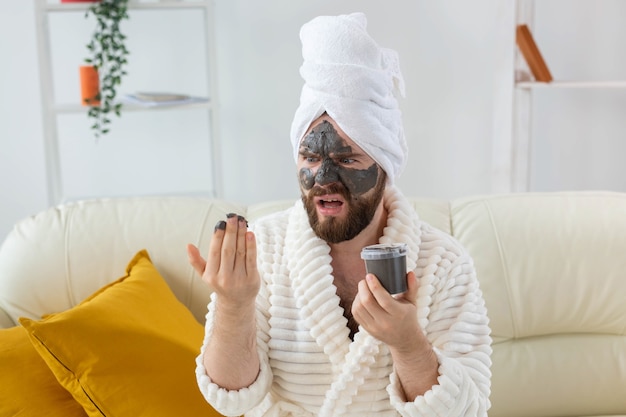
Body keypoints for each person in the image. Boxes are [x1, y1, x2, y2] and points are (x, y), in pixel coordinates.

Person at [187, 12, 492, 417]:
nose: (323, 178)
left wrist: (408, 343)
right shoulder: (264, 250)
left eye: (348, 158)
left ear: (384, 165)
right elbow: (230, 397)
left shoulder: (445, 263)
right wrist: (233, 305)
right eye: (310, 157)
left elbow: (468, 411)